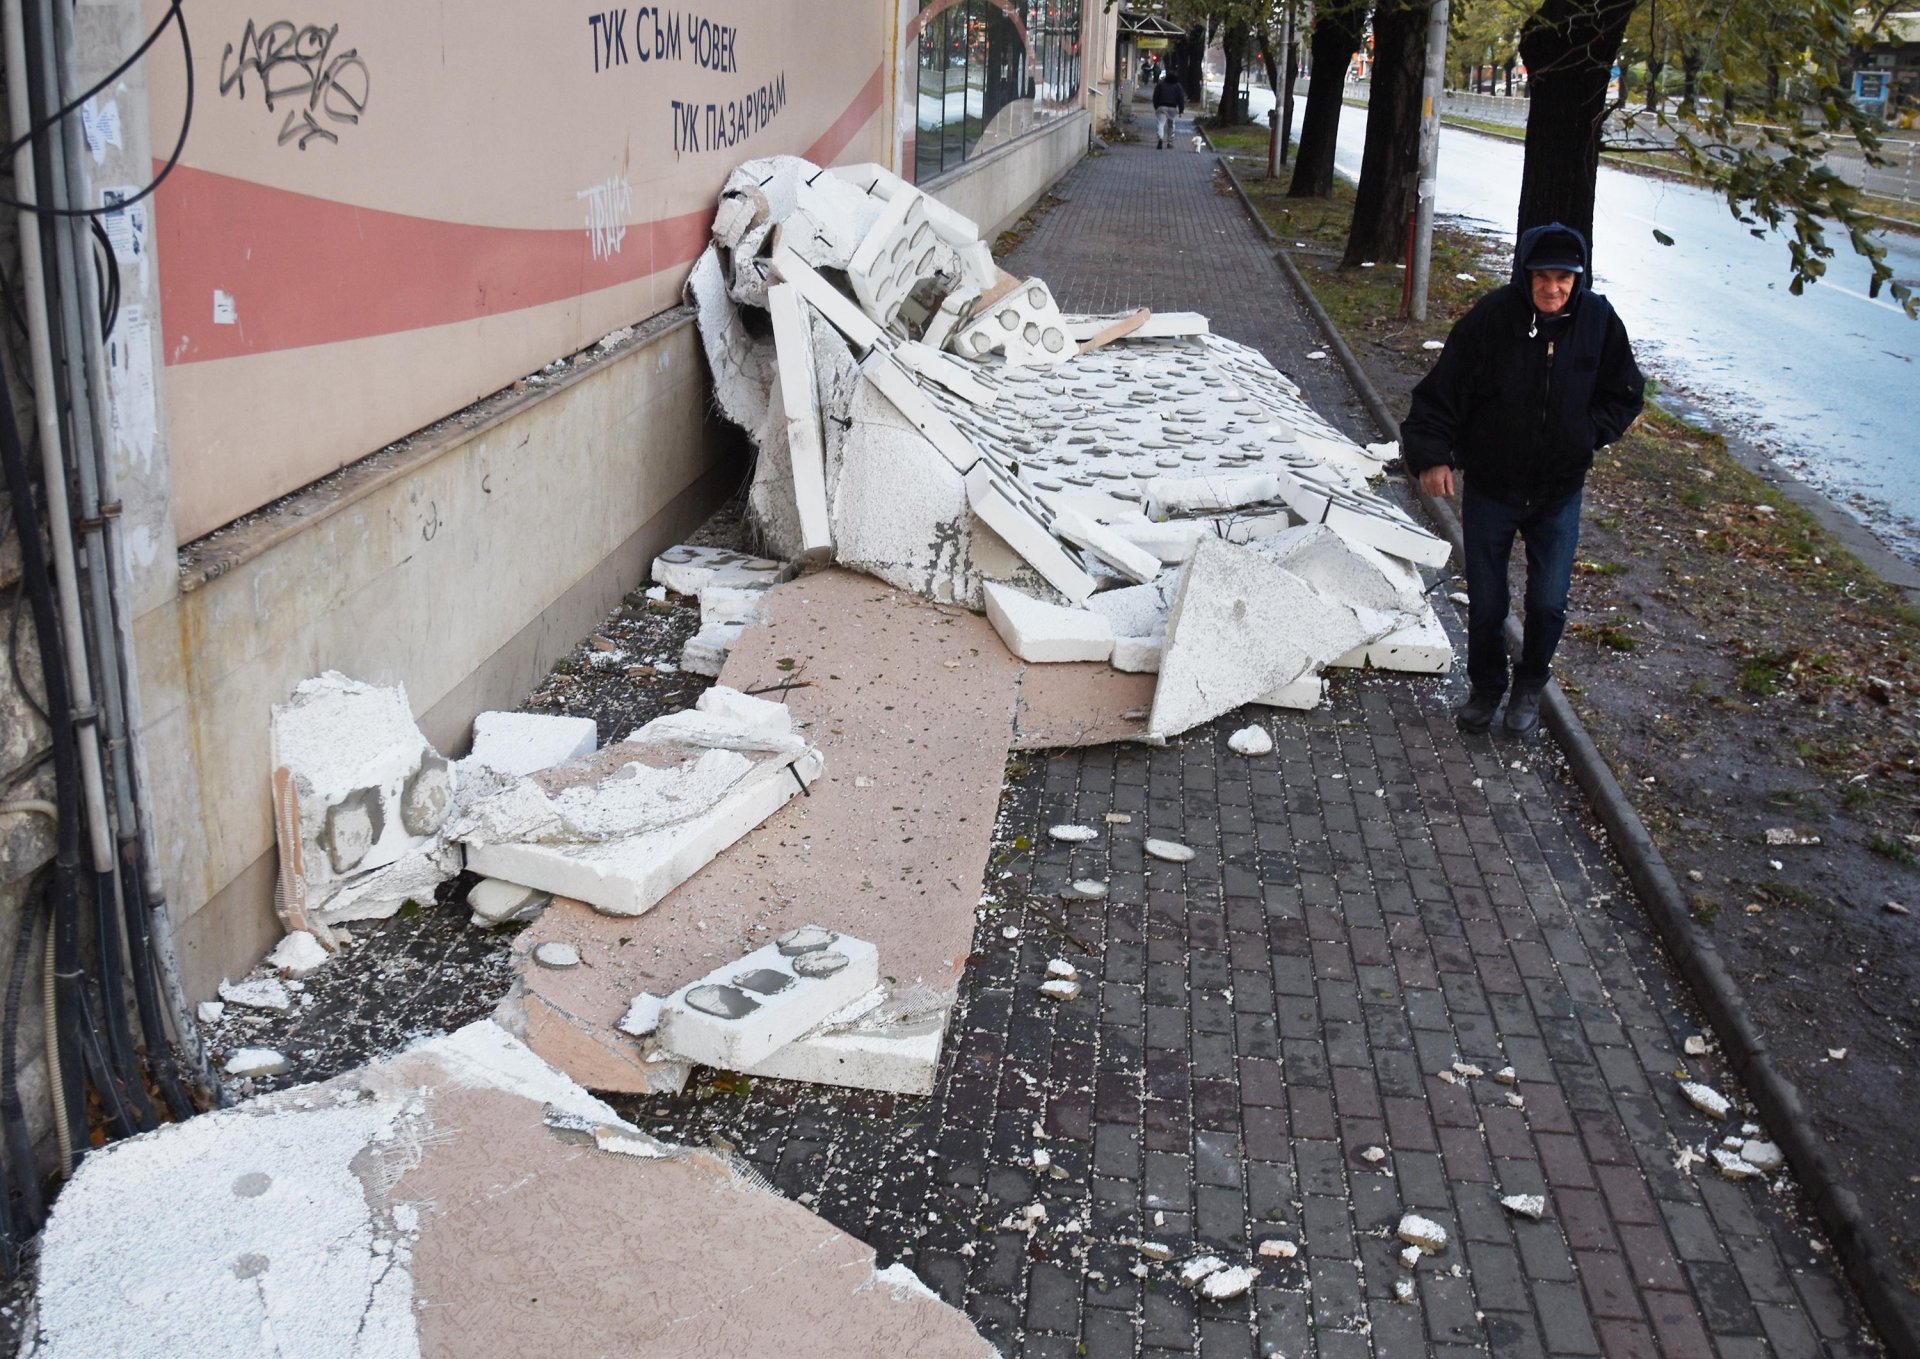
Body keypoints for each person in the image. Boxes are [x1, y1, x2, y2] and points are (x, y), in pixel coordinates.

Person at [1400, 222, 1646, 736]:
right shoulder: (1492, 319)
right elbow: (1440, 394)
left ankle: (1530, 685)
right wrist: (1432, 457)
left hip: (1559, 491)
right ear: (1525, 274)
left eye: (1564, 278)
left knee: (1548, 602)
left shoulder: (1599, 321)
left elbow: (1624, 393)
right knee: (1489, 604)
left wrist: (1585, 433)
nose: (1552, 289)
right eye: (1542, 277)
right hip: (1493, 488)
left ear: (1579, 278)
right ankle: (1487, 687)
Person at [1152, 71, 1186, 149]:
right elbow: (1181, 98)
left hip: (1161, 106)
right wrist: (1181, 109)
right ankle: (1170, 143)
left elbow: (1155, 96)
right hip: (1173, 108)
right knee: (1171, 125)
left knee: (1160, 124)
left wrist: (1156, 106)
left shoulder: (1161, 84)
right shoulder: (1178, 86)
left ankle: (1160, 138)